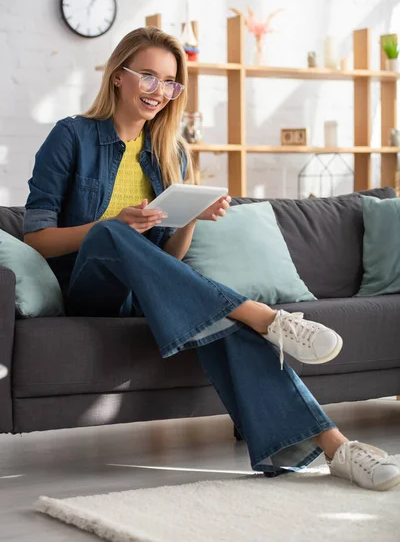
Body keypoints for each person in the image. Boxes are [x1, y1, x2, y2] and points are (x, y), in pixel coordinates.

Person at [24, 26, 399, 492]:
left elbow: (170, 257)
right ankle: (262, 315)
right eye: (147, 76)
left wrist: (190, 219)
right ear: (118, 76)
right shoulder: (71, 136)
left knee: (228, 329)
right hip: (90, 288)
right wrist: (116, 225)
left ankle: (336, 446)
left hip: (150, 291)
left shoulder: (169, 153)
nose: (158, 92)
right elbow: (37, 238)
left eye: (169, 82)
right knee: (107, 233)